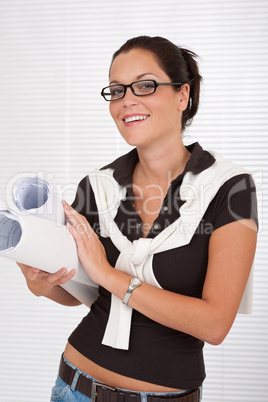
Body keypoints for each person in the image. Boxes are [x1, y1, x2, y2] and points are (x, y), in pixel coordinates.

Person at [18, 36, 258, 401]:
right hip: (73, 387)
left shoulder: (230, 188)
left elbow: (214, 324)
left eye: (145, 85)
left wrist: (110, 274)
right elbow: (85, 291)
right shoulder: (97, 186)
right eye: (116, 90)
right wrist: (42, 283)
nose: (127, 100)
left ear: (183, 95)